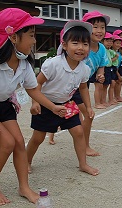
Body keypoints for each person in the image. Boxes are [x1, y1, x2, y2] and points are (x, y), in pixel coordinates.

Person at [0, 8, 61, 205]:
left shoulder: (24, 64)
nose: (34, 41)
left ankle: (24, 187)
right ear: (14, 37)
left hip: (4, 105)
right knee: (7, 143)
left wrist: (53, 107)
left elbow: (33, 90)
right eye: (32, 35)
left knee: (19, 142)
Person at [26, 20, 99, 176]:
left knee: (79, 132)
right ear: (64, 45)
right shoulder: (52, 64)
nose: (81, 48)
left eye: (85, 44)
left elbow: (84, 88)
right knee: (38, 138)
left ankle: (83, 164)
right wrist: (35, 102)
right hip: (46, 105)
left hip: (67, 105)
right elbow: (36, 85)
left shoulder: (84, 69)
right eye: (75, 43)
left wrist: (89, 107)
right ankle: (27, 161)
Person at [80, 10, 110, 156]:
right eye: (95, 27)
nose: (99, 31)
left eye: (102, 27)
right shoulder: (81, 46)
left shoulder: (102, 48)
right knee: (43, 128)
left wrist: (100, 75)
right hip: (67, 87)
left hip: (81, 88)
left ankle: (85, 146)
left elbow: (101, 65)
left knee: (88, 115)